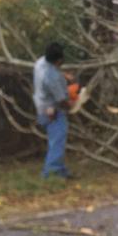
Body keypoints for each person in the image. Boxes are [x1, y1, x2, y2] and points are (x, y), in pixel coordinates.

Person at [33, 41, 73, 179]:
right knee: (57, 140)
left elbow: (52, 71)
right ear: (59, 60)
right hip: (52, 110)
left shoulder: (40, 63)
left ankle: (60, 170)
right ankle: (52, 172)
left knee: (54, 140)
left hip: (41, 105)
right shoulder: (52, 78)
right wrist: (73, 105)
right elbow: (61, 100)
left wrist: (63, 75)